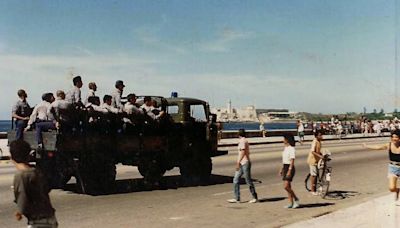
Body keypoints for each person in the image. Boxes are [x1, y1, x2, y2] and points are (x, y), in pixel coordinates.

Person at [10, 140, 58, 227]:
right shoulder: (37, 171)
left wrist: (19, 212)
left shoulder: (21, 175)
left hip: (38, 221)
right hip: (50, 216)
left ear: (11, 158)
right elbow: (46, 188)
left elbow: (22, 195)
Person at [363, 129, 400, 202]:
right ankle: (397, 190)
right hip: (393, 168)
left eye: (396, 137)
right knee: (392, 188)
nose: (394, 139)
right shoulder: (389, 145)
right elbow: (378, 147)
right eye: (392, 137)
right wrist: (367, 146)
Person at [227, 129, 258, 203]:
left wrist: (238, 162)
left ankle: (255, 197)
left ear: (238, 134)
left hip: (245, 163)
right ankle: (237, 198)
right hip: (242, 163)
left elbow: (243, 152)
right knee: (236, 179)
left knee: (248, 180)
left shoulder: (243, 141)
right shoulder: (243, 141)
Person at [280, 133, 300, 208]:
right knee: (288, 187)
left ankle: (296, 199)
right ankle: (291, 203)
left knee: (286, 186)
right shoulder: (286, 148)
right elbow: (284, 160)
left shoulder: (292, 148)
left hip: (290, 167)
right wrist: (282, 169)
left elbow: (292, 160)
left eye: (284, 139)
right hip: (285, 166)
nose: (283, 140)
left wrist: (289, 170)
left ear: (287, 140)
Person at [307, 130, 324, 196]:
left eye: (321, 135)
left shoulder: (319, 142)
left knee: (316, 174)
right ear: (316, 136)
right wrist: (320, 156)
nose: (321, 136)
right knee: (314, 175)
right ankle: (312, 190)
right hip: (312, 160)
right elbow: (313, 151)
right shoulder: (314, 141)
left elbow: (318, 151)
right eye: (320, 135)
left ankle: (315, 188)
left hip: (317, 160)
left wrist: (322, 155)